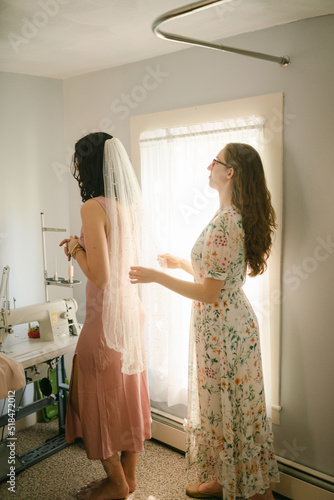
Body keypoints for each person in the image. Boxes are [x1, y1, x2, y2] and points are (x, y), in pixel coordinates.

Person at [129, 143, 280, 500]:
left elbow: (210, 293)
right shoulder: (230, 214)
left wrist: (155, 276)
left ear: (230, 172)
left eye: (216, 161)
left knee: (232, 407)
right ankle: (223, 479)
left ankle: (255, 492)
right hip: (227, 327)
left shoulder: (227, 222)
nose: (208, 165)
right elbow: (220, 273)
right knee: (221, 405)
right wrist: (182, 264)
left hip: (225, 331)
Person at [60, 132, 151, 500]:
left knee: (87, 397)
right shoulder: (128, 205)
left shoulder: (92, 208)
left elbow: (100, 275)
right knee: (127, 394)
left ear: (88, 166)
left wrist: (76, 248)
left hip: (104, 319)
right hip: (131, 314)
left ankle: (115, 481)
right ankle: (128, 479)